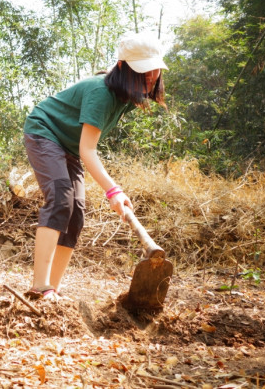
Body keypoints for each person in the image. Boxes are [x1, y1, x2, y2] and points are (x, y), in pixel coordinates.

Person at [22, 32, 168, 300]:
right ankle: (40, 286)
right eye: (143, 71)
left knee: (75, 212)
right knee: (60, 199)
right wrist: (113, 191)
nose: (150, 77)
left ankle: (52, 289)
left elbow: (83, 148)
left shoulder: (129, 95)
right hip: (45, 131)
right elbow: (87, 149)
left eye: (154, 70)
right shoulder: (102, 92)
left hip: (67, 146)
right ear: (123, 67)